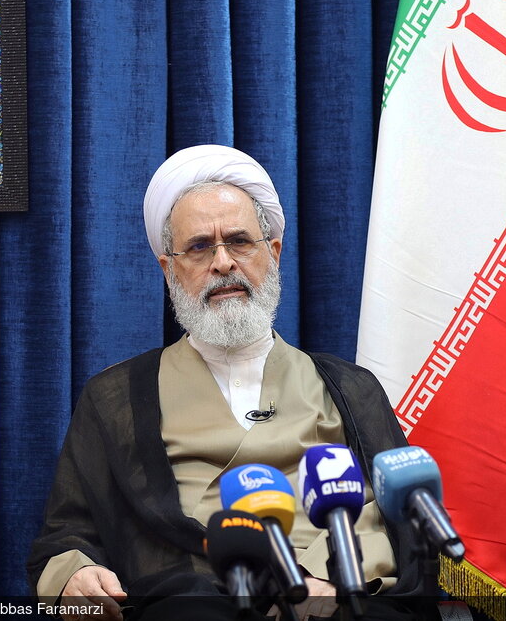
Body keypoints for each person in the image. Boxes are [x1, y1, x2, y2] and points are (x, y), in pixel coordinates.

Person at [27, 146, 432, 620]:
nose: (223, 263)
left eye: (240, 241)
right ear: (169, 269)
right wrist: (74, 574)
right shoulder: (116, 397)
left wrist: (325, 581)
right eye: (199, 247)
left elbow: (401, 520)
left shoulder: (350, 388)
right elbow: (67, 533)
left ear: (273, 254)